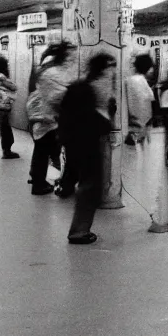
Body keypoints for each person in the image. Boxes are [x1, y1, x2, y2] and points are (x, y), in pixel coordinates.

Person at [58, 52, 116, 244]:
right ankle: (78, 231)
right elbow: (92, 118)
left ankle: (80, 228)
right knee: (90, 185)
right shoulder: (91, 89)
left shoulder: (79, 86)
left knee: (87, 184)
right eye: (109, 69)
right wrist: (107, 124)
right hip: (87, 142)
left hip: (75, 142)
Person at [26, 42, 72, 195]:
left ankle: (37, 179)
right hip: (47, 118)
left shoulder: (49, 69)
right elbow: (59, 96)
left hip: (42, 117)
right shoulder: (53, 73)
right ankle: (39, 184)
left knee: (42, 150)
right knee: (45, 150)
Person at [0, 56, 19, 159]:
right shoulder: (2, 78)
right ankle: (7, 151)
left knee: (4, 128)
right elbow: (13, 87)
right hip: (3, 107)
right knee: (5, 129)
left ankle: (6, 150)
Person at [125, 54, 155, 146]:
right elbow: (141, 103)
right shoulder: (138, 81)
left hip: (137, 124)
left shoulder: (134, 80)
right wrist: (145, 124)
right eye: (150, 67)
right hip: (138, 125)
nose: (152, 70)